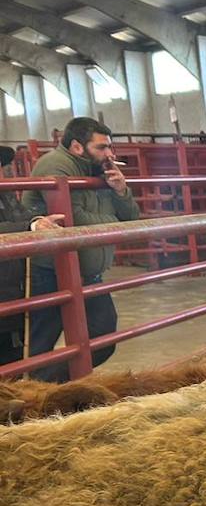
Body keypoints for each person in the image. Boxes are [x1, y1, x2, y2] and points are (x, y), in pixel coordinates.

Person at [19, 117, 138, 380]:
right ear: (76, 147)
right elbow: (72, 220)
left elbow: (131, 219)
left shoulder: (99, 171)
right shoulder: (56, 165)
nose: (110, 154)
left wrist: (121, 191)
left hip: (87, 273)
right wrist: (114, 223)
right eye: (102, 148)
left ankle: (48, 388)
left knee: (103, 337)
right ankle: (34, 397)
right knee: (40, 345)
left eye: (110, 147)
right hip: (51, 271)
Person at [1, 146, 66, 367]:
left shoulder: (6, 194)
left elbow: (20, 216)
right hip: (8, 291)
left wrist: (39, 220)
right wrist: (31, 225)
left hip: (11, 290)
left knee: (15, 356)